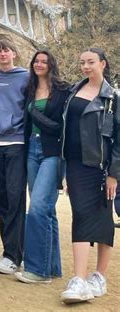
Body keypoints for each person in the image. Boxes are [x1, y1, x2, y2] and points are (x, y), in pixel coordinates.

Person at [60, 48, 119, 304]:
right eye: (82, 62)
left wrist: (113, 175)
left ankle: (98, 277)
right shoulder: (73, 91)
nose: (85, 66)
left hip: (101, 167)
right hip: (75, 164)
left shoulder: (112, 99)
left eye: (91, 62)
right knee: (82, 215)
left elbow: (118, 140)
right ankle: (79, 280)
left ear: (102, 64)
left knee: (104, 217)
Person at [14, 50, 70, 284]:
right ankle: (52, 266)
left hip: (52, 152)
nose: (39, 64)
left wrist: (35, 114)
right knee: (47, 210)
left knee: (37, 208)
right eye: (36, 61)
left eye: (44, 61)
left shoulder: (63, 90)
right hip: (32, 151)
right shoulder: (29, 89)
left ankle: (38, 270)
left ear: (51, 64)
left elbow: (61, 127)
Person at [0, 39, 29, 274]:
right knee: (0, 198)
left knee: (15, 198)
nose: (3, 54)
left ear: (14, 53)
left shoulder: (25, 77)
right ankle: (8, 250)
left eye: (6, 50)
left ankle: (15, 255)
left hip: (16, 143)